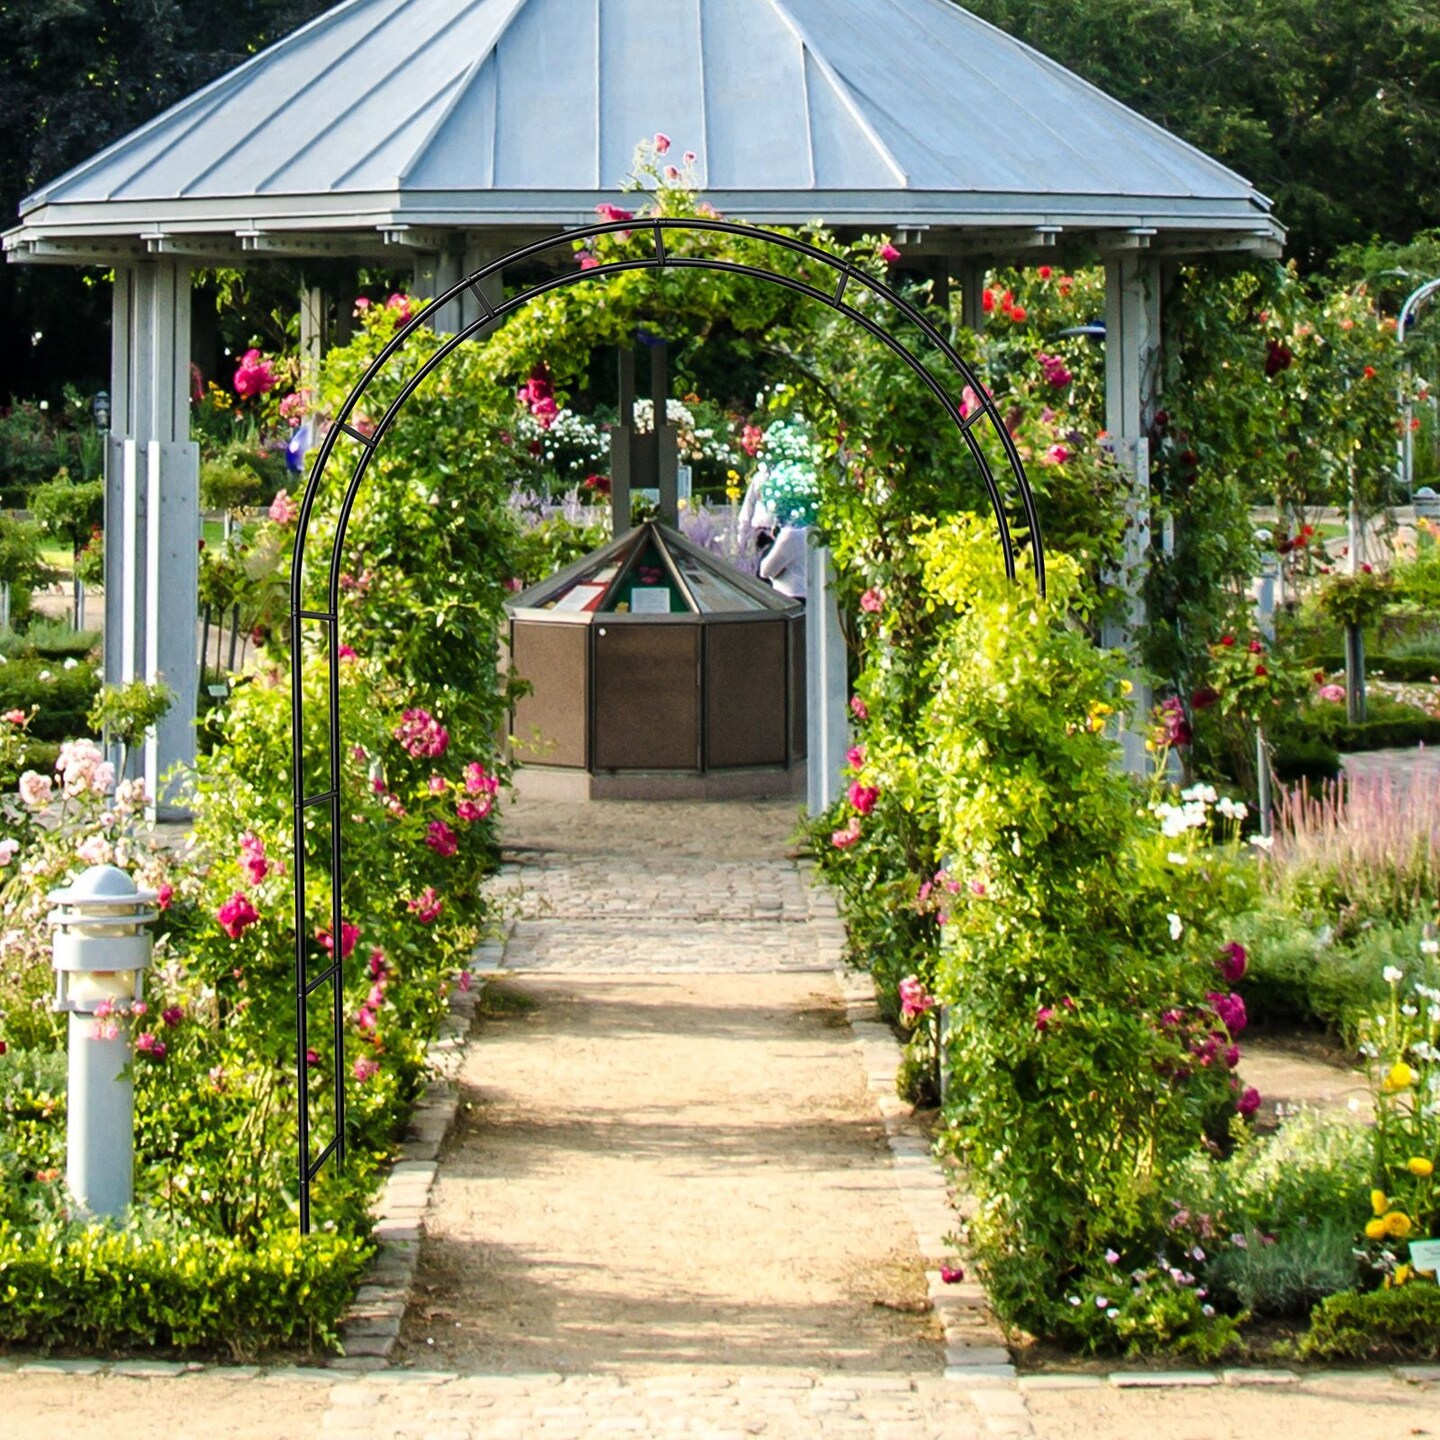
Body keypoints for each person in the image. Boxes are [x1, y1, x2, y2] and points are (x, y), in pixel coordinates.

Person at [758, 522, 808, 600]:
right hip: (816, 598)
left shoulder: (791, 535)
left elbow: (766, 571)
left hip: (791, 597)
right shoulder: (819, 534)